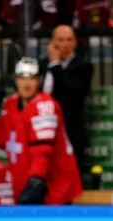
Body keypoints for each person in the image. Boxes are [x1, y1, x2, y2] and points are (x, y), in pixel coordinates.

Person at [0, 57, 82, 205]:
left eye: (32, 78)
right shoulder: (11, 104)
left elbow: (42, 153)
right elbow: (3, 141)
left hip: (53, 189)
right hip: (22, 184)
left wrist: (35, 182)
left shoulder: (45, 106)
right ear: (16, 81)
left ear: (39, 81)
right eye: (23, 78)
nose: (27, 84)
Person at [42, 25, 93, 179]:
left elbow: (72, 93)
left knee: (72, 179)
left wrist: (55, 66)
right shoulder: (41, 65)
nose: (65, 45)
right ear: (52, 42)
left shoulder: (84, 67)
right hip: (45, 132)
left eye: (69, 40)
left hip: (71, 132)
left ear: (75, 43)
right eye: (60, 40)